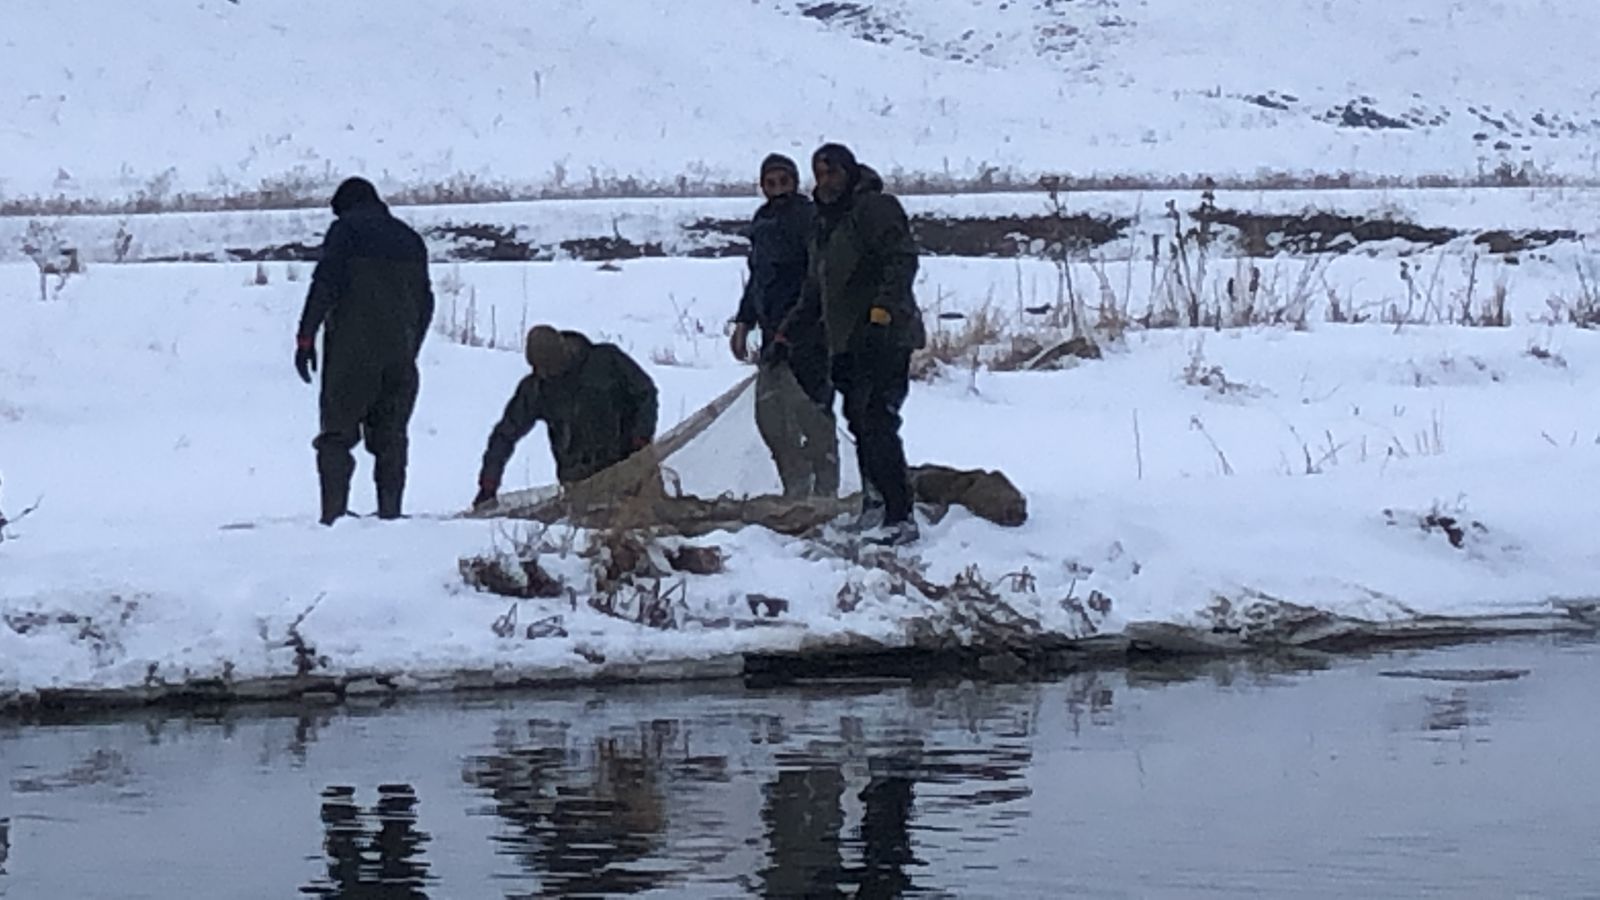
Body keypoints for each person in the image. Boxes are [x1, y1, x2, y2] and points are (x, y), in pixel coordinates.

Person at [778, 143, 925, 545]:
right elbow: (815, 288)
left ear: (849, 171)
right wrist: (786, 331)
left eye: (833, 173)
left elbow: (901, 260)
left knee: (877, 418)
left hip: (885, 335)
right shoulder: (825, 223)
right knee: (858, 419)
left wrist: (882, 313)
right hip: (847, 341)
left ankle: (900, 516)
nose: (826, 181)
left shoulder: (875, 208)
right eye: (820, 174)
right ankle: (874, 505)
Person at [295, 177, 434, 526]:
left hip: (350, 357)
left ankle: (334, 517)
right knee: (391, 438)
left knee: (336, 437)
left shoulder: (346, 232)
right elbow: (426, 302)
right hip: (400, 357)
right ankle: (390, 514)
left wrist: (305, 337)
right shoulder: (410, 239)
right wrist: (409, 347)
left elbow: (325, 283)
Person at [730, 152, 839, 500]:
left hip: (809, 335)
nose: (777, 189)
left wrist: (795, 329)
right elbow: (758, 279)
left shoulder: (809, 218)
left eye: (784, 181)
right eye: (770, 183)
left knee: (814, 413)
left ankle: (825, 490)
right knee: (771, 416)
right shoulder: (761, 221)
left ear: (795, 182)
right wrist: (744, 322)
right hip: (771, 333)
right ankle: (796, 483)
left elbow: (817, 279)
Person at [473, 326, 658, 509]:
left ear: (563, 353)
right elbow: (505, 435)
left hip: (632, 469)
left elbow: (646, 393)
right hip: (579, 485)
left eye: (550, 367)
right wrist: (488, 484)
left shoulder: (606, 360)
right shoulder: (536, 388)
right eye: (540, 369)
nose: (546, 374)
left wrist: (641, 437)